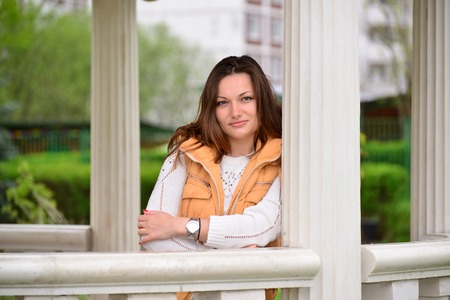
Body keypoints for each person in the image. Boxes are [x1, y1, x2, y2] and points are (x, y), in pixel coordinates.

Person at [137, 55, 282, 300]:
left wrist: (183, 226)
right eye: (223, 102)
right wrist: (230, 251)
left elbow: (262, 227)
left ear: (262, 102)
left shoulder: (281, 158)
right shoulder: (186, 154)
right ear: (212, 108)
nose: (235, 112)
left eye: (246, 99)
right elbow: (152, 236)